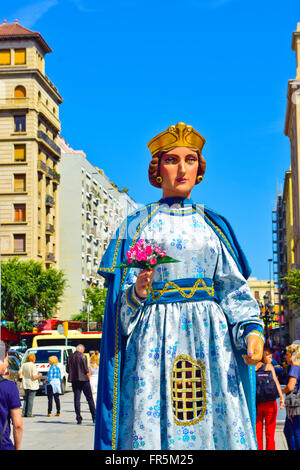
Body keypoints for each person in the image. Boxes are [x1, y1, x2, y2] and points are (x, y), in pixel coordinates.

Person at [94, 122, 264, 450]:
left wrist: (251, 330)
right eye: (172, 160)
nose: (182, 168)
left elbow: (233, 288)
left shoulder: (214, 224)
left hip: (211, 343)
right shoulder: (137, 225)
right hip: (153, 343)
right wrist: (138, 292)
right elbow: (119, 313)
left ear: (199, 167)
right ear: (157, 169)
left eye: (190, 159)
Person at [255, 347, 285, 450]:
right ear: (264, 356)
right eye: (270, 357)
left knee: (258, 431)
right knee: (270, 432)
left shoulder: (252, 367)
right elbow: (276, 382)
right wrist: (281, 398)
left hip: (257, 403)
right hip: (270, 403)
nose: (271, 359)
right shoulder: (269, 367)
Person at [0, 341, 23, 450]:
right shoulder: (9, 387)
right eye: (6, 359)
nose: (7, 363)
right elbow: (18, 425)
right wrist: (17, 447)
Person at [66, 344, 95, 424]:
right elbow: (86, 369)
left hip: (74, 380)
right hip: (84, 380)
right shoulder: (83, 356)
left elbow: (67, 370)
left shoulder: (70, 357)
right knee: (89, 399)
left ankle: (78, 418)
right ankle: (94, 417)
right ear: (81, 349)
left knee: (76, 399)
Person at [282, 344, 300, 450]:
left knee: (293, 433)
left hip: (295, 407)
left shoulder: (294, 368)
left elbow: (290, 386)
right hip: (296, 406)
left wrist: (280, 391)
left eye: (287, 354)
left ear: (293, 355)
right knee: (289, 430)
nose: (285, 357)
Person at [18, 353, 42, 417]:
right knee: (31, 399)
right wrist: (39, 375)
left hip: (25, 383)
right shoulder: (33, 366)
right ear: (33, 359)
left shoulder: (23, 365)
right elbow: (34, 377)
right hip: (32, 384)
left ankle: (23, 413)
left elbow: (20, 373)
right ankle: (29, 413)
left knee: (26, 399)